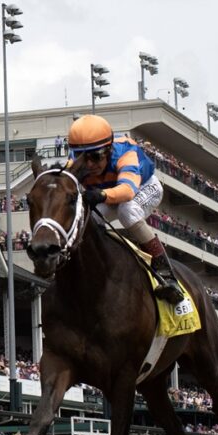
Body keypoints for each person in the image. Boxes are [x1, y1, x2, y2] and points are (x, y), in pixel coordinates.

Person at [66, 114, 183, 304]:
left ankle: (166, 272)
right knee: (88, 219)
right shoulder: (74, 162)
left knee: (127, 211)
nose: (89, 165)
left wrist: (102, 195)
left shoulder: (125, 153)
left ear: (109, 149)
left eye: (95, 157)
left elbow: (127, 191)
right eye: (82, 157)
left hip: (143, 187)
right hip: (110, 192)